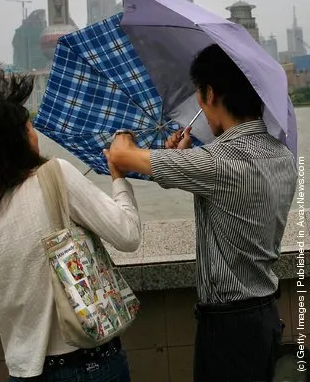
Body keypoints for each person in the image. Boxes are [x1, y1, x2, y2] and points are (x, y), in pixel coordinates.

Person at [0, 67, 141, 382]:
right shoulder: (54, 173)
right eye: (29, 126)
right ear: (14, 140)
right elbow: (127, 234)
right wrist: (119, 177)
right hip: (86, 366)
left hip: (23, 372)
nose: (34, 133)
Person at [107, 44, 297, 382]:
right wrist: (184, 159)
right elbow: (225, 189)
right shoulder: (281, 154)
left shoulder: (219, 162)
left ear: (210, 93)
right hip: (266, 315)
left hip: (229, 328)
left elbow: (124, 156)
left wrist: (122, 137)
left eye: (198, 94)